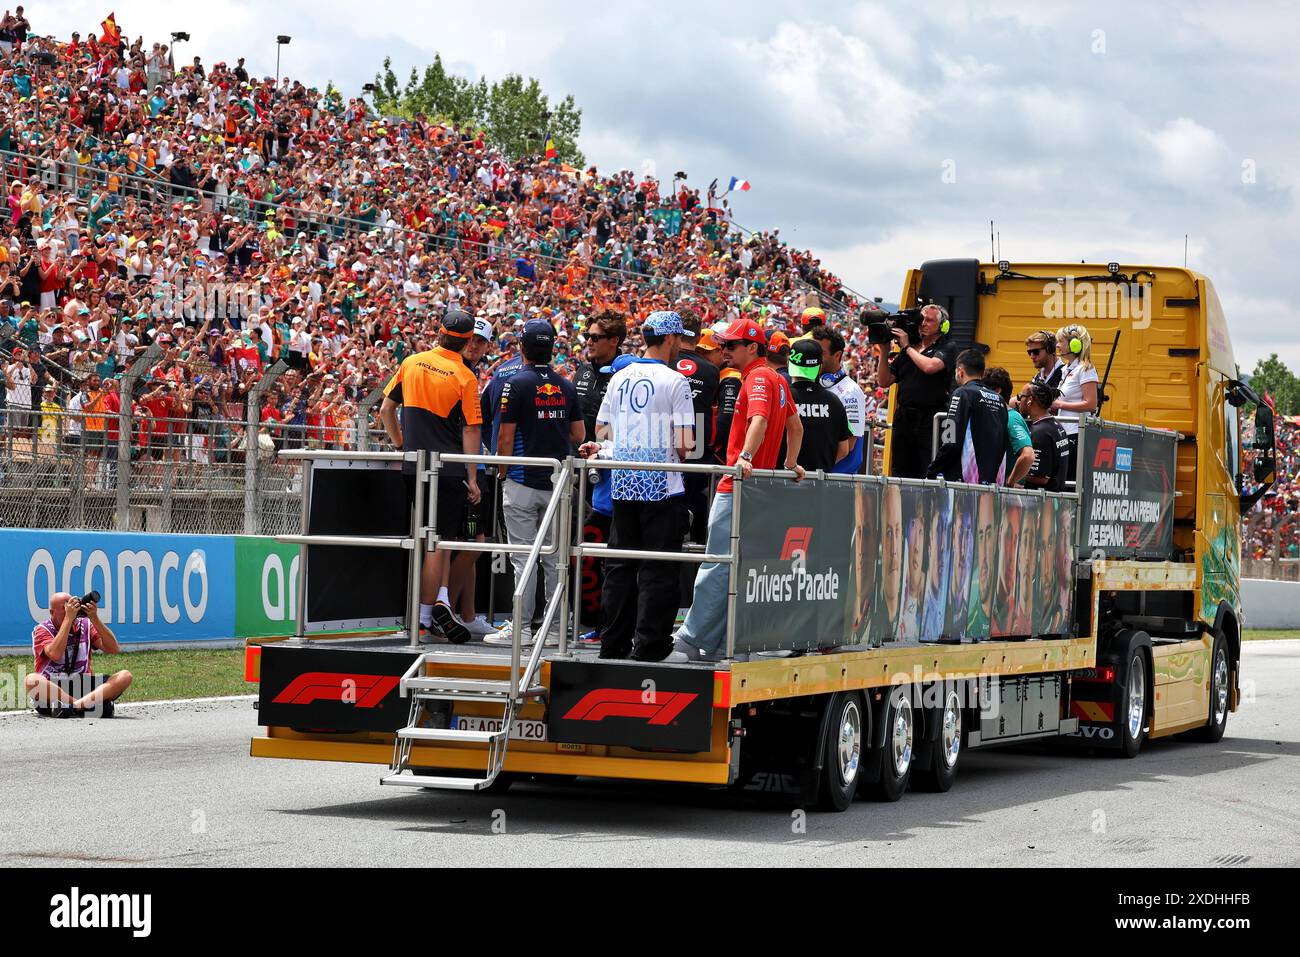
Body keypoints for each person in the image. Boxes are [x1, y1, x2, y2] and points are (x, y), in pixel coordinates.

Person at [670, 317, 805, 662]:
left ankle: (691, 637)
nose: (724, 350)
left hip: (740, 485)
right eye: (724, 345)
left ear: (752, 348)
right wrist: (789, 465)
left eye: (731, 345)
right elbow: (795, 426)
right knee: (738, 566)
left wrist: (745, 456)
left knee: (717, 563)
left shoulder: (758, 378)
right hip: (760, 488)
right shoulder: (777, 379)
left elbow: (760, 419)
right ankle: (719, 642)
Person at [580, 311, 695, 662]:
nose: (680, 345)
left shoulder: (619, 377)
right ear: (671, 338)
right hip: (662, 487)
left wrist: (623, 446)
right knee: (658, 570)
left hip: (625, 484)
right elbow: (686, 445)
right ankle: (651, 647)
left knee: (620, 569)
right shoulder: (676, 381)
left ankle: (612, 643)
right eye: (679, 339)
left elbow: (601, 431)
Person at [379, 308, 483, 644]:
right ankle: (425, 617)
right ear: (467, 341)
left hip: (413, 464)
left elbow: (385, 409)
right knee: (437, 545)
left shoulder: (411, 362)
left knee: (423, 540)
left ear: (439, 332)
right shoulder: (465, 376)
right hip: (448, 469)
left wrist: (400, 444)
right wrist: (473, 476)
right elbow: (470, 431)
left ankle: (438, 604)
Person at [488, 319, 583, 647]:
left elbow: (505, 435)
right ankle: (556, 630)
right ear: (552, 348)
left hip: (521, 480)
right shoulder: (566, 385)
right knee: (555, 559)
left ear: (522, 348)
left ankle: (523, 629)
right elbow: (579, 435)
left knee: (524, 559)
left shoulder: (515, 383)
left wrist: (502, 472)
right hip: (557, 484)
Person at [875, 303, 957, 478]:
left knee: (927, 471)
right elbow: (884, 381)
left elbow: (929, 367)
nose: (924, 323)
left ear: (942, 326)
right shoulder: (910, 349)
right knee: (900, 471)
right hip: (904, 418)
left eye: (930, 320)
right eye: (922, 319)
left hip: (930, 419)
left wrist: (906, 347)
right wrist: (883, 351)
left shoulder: (947, 347)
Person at [24, 592, 133, 718]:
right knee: (31, 680)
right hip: (54, 689)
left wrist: (94, 618)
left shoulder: (85, 625)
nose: (70, 610)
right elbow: (55, 654)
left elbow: (113, 649)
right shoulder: (42, 629)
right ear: (51, 612)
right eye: (64, 608)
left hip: (82, 685)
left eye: (72, 606)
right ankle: (89, 705)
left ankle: (74, 707)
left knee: (125, 676)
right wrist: (68, 619)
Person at [927, 349, 1008, 486]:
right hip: (995, 479)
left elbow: (950, 438)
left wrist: (933, 469)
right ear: (982, 373)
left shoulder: (962, 393)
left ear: (960, 371)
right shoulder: (999, 399)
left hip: (966, 480)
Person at [786, 339, 853, 473]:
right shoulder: (834, 401)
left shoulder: (781, 397)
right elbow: (844, 449)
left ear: (789, 364)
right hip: (819, 481)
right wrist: (824, 465)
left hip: (780, 479)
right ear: (820, 367)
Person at [811, 326, 868, 474]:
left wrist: (816, 469)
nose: (814, 357)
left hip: (837, 478)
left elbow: (848, 445)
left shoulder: (851, 392)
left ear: (837, 355)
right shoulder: (812, 384)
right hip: (818, 476)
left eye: (820, 353)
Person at [1053, 323, 1099, 478]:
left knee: (1070, 482)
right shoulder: (1067, 369)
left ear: (1075, 344)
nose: (1057, 345)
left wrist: (1059, 404)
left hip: (1075, 435)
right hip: (1064, 433)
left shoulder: (1086, 368)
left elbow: (1091, 404)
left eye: (1061, 341)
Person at [573, 311, 625, 444]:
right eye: (587, 336)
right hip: (577, 459)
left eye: (595, 338)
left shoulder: (625, 374)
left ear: (614, 340)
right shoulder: (582, 371)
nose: (589, 342)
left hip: (608, 459)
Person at [983, 366, 1035, 486]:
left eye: (984, 390)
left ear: (997, 391)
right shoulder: (995, 417)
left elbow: (1028, 455)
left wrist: (1010, 482)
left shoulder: (1011, 418)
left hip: (1007, 499)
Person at [1020, 380, 1070, 491]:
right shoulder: (1056, 425)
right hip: (1054, 499)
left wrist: (1012, 477)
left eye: (1020, 397)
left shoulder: (1040, 432)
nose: (1018, 401)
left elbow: (1040, 477)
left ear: (1030, 400)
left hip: (1040, 504)